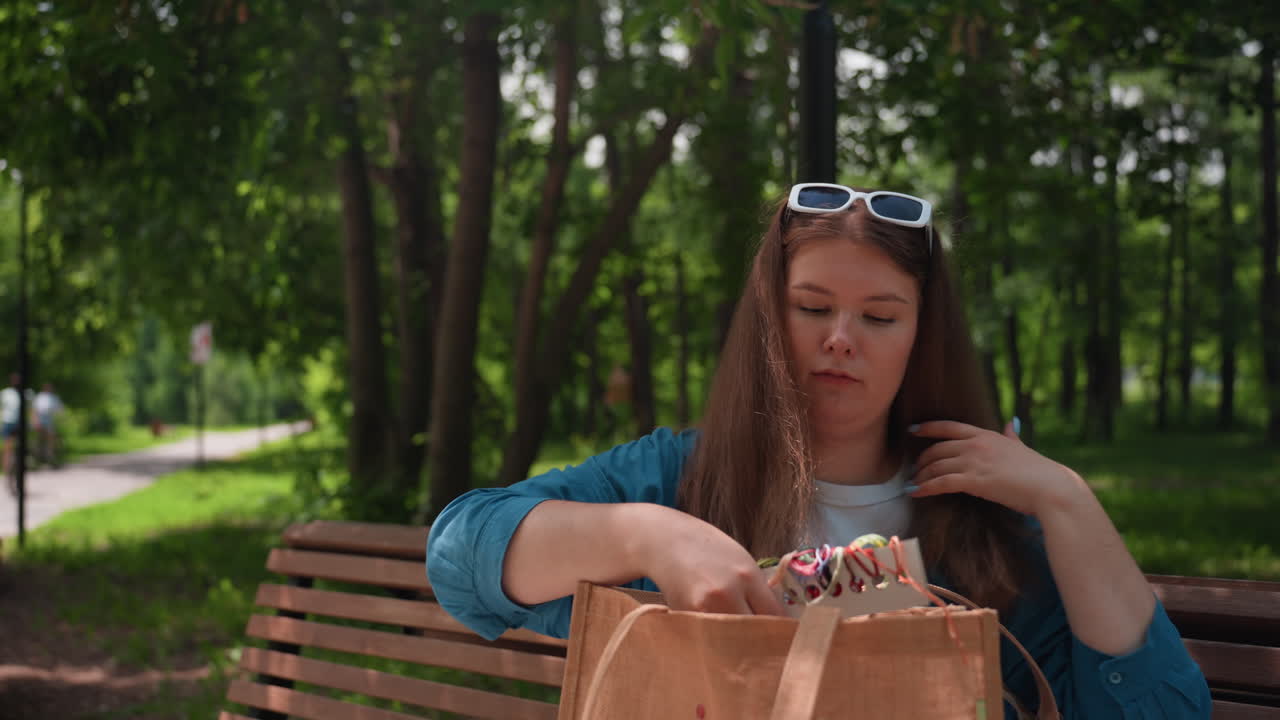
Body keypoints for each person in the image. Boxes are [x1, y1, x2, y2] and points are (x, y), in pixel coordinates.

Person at [426, 183, 1211, 717]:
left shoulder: (980, 511)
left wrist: (1066, 498)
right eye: (812, 308)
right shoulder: (679, 478)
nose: (841, 340)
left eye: (879, 317)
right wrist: (649, 536)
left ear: (919, 338)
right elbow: (459, 561)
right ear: (770, 317)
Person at [32, 382, 63, 467]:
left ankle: (50, 457)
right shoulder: (40, 397)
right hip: (40, 419)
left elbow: (60, 411)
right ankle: (37, 458)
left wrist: (60, 420)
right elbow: (35, 410)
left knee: (51, 439)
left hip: (50, 420)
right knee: (39, 439)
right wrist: (35, 421)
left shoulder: (54, 398)